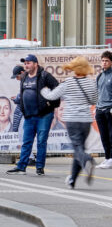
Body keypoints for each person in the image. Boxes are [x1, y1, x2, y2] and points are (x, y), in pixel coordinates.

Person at [41, 56, 98, 188]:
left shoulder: (68, 82)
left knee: (78, 147)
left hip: (72, 119)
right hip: (86, 120)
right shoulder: (91, 83)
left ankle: (87, 160)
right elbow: (94, 101)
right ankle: (72, 180)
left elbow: (51, 96)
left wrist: (44, 90)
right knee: (79, 148)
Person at [6, 54, 60, 176]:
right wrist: (23, 108)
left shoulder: (45, 75)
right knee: (26, 142)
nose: (26, 65)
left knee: (41, 142)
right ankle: (21, 167)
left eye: (28, 63)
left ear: (35, 64)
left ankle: (39, 167)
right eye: (25, 63)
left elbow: (57, 88)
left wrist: (50, 104)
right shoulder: (24, 77)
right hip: (29, 116)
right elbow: (23, 93)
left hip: (44, 115)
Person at [95, 51, 112, 169]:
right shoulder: (100, 76)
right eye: (103, 60)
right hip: (100, 110)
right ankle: (107, 158)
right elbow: (98, 93)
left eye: (107, 61)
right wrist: (96, 108)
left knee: (111, 136)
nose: (104, 63)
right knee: (104, 136)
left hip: (109, 110)